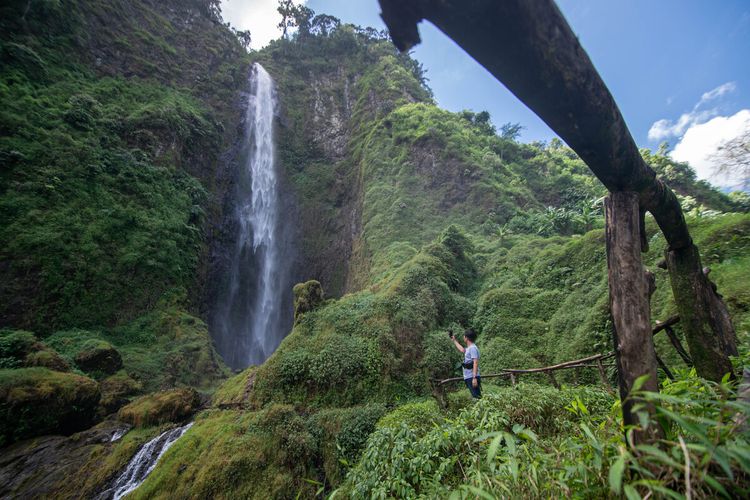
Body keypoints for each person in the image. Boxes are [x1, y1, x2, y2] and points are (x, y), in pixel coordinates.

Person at [450, 328, 481, 398]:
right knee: (476, 396)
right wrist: (454, 340)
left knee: (477, 397)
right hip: (469, 376)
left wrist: (474, 378)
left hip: (471, 377)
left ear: (466, 338)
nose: (463, 337)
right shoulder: (469, 348)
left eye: (464, 336)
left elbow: (475, 362)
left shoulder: (473, 348)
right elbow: (462, 350)